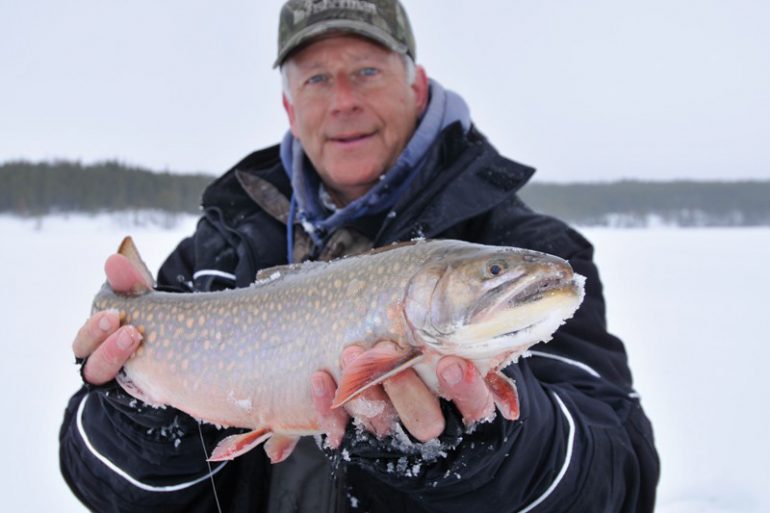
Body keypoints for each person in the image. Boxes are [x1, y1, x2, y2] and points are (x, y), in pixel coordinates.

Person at [59, 1, 659, 511]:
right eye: (316, 79)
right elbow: (97, 477)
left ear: (417, 86)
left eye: (366, 70)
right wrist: (141, 419)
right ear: (291, 108)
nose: (342, 100)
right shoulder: (216, 253)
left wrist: (492, 450)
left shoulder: (530, 249)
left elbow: (622, 476)